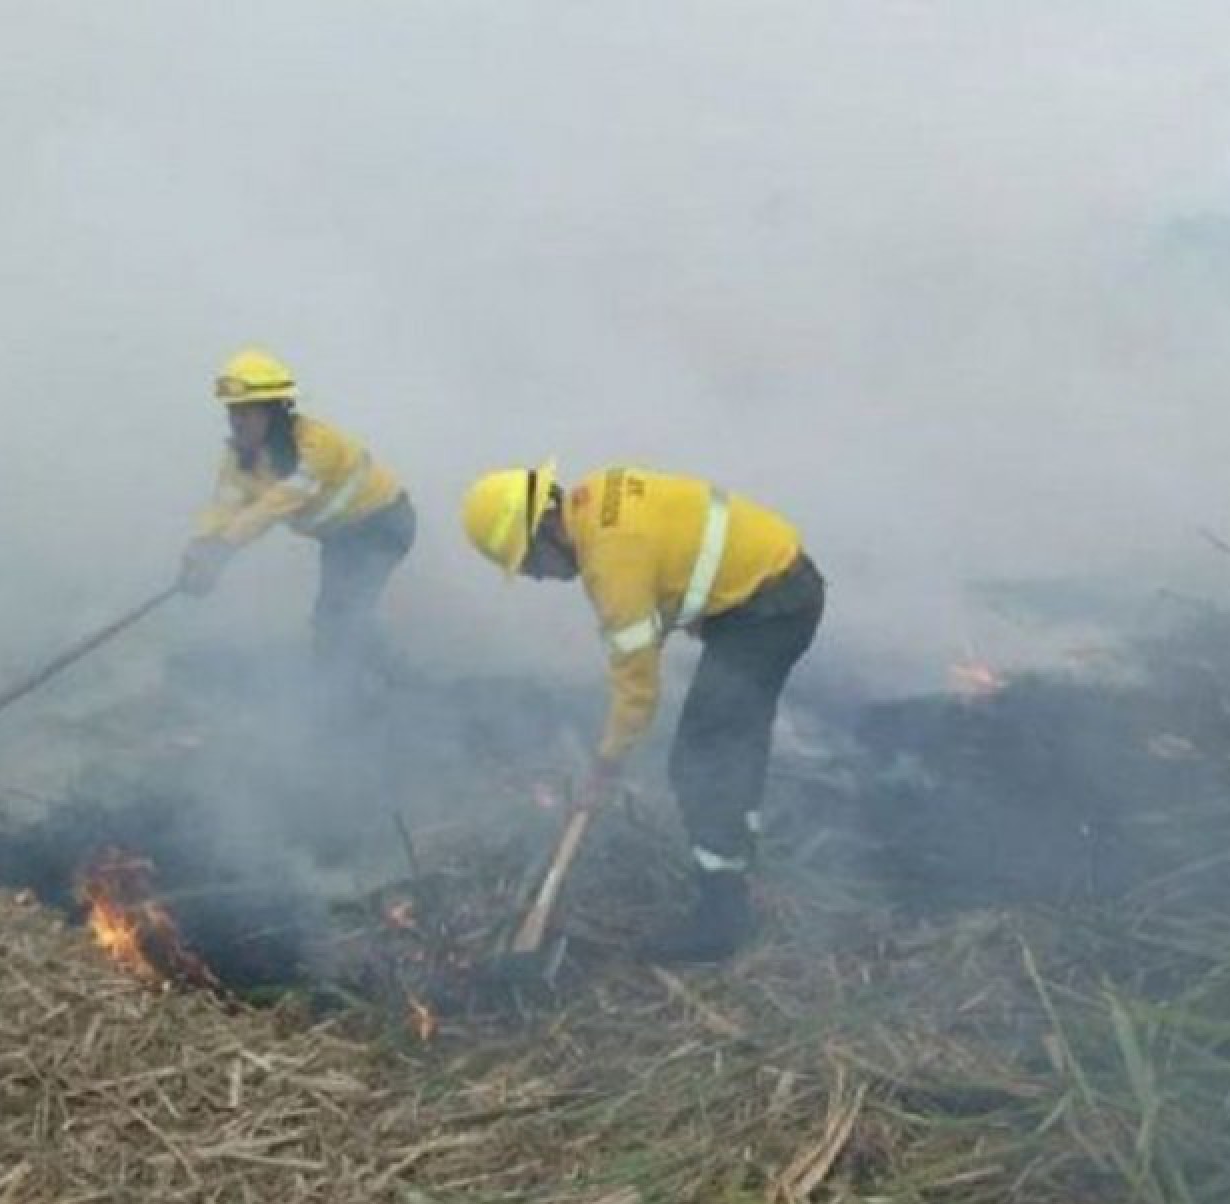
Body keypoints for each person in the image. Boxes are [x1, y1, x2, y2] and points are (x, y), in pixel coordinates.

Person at [459, 461, 825, 962]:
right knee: (735, 736)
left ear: (543, 528)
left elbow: (638, 690)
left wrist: (607, 762)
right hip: (775, 589)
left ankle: (725, 917)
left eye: (529, 564)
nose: (540, 578)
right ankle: (740, 852)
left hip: (768, 609)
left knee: (701, 760)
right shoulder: (596, 501)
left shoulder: (611, 561)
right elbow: (676, 566)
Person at [180, 349, 415, 684]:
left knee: (339, 616)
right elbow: (224, 504)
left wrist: (224, 547)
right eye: (232, 411)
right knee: (341, 616)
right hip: (342, 537)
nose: (237, 421)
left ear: (275, 411)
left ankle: (344, 696)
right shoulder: (240, 456)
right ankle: (386, 677)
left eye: (247, 412)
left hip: (383, 524)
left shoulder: (318, 445)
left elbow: (279, 502)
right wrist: (201, 547)